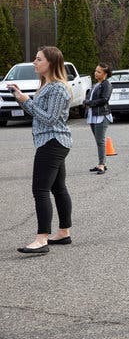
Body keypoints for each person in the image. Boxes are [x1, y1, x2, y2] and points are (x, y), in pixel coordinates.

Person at [9, 46, 74, 254]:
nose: (35, 63)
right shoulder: (46, 85)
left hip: (52, 142)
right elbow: (38, 114)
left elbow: (49, 119)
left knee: (40, 190)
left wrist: (26, 100)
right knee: (58, 188)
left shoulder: (58, 88)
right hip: (51, 141)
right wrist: (21, 98)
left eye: (38, 59)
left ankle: (41, 239)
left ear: (51, 63)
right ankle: (64, 233)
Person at [83, 63, 113, 175]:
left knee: (100, 141)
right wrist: (86, 101)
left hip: (101, 116)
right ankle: (102, 163)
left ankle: (102, 165)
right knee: (98, 141)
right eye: (95, 71)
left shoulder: (107, 85)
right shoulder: (96, 85)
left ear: (105, 74)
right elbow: (90, 97)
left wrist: (89, 103)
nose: (96, 73)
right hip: (93, 115)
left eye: (99, 72)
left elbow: (104, 99)